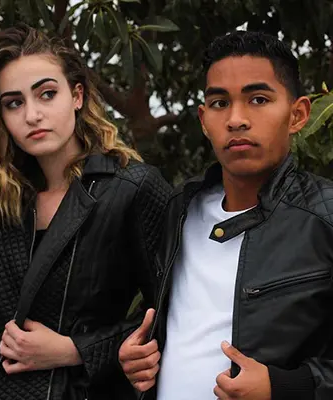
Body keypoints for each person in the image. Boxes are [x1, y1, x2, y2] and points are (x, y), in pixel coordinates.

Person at [0, 24, 171, 400]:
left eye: (47, 94)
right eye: (13, 103)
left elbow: (175, 308)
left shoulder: (131, 188)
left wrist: (73, 350)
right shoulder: (3, 192)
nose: (32, 115)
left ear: (76, 95)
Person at [119, 30, 333, 400]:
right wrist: (137, 356)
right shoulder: (180, 210)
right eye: (220, 103)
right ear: (204, 120)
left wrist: (282, 386)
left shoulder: (324, 216)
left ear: (297, 114)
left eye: (258, 99)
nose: (235, 119)